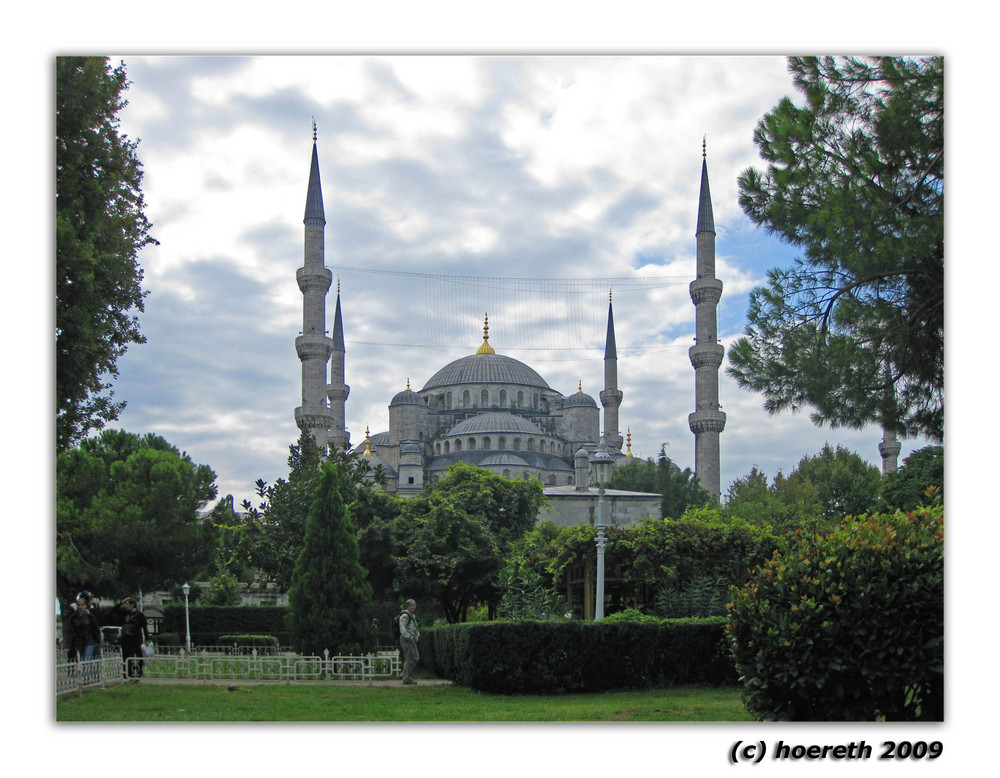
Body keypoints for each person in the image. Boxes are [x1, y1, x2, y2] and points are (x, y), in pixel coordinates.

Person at [112, 596, 150, 680]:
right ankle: (127, 673)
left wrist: (147, 639)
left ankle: (138, 672)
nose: (126, 606)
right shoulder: (125, 613)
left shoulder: (139, 614)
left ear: (132, 605)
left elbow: (144, 627)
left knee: (137, 655)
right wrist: (122, 602)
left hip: (136, 638)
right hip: (126, 638)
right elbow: (114, 610)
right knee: (126, 656)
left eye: (127, 604)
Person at [65, 593, 101, 673]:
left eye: (82, 605)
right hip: (79, 642)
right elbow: (70, 631)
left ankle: (86, 679)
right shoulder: (73, 617)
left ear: (85, 606)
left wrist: (97, 640)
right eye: (79, 605)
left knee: (87, 660)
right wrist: (69, 644)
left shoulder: (90, 617)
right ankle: (85, 677)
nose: (81, 607)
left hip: (89, 641)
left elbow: (95, 629)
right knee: (81, 659)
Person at [398, 599, 420, 685]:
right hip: (407, 640)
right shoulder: (405, 616)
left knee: (415, 658)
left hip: (412, 640)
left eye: (414, 605)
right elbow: (402, 628)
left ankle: (404, 674)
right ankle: (406, 678)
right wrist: (409, 637)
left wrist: (417, 636)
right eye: (411, 605)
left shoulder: (412, 616)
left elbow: (415, 627)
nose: (413, 607)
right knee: (409, 659)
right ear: (408, 606)